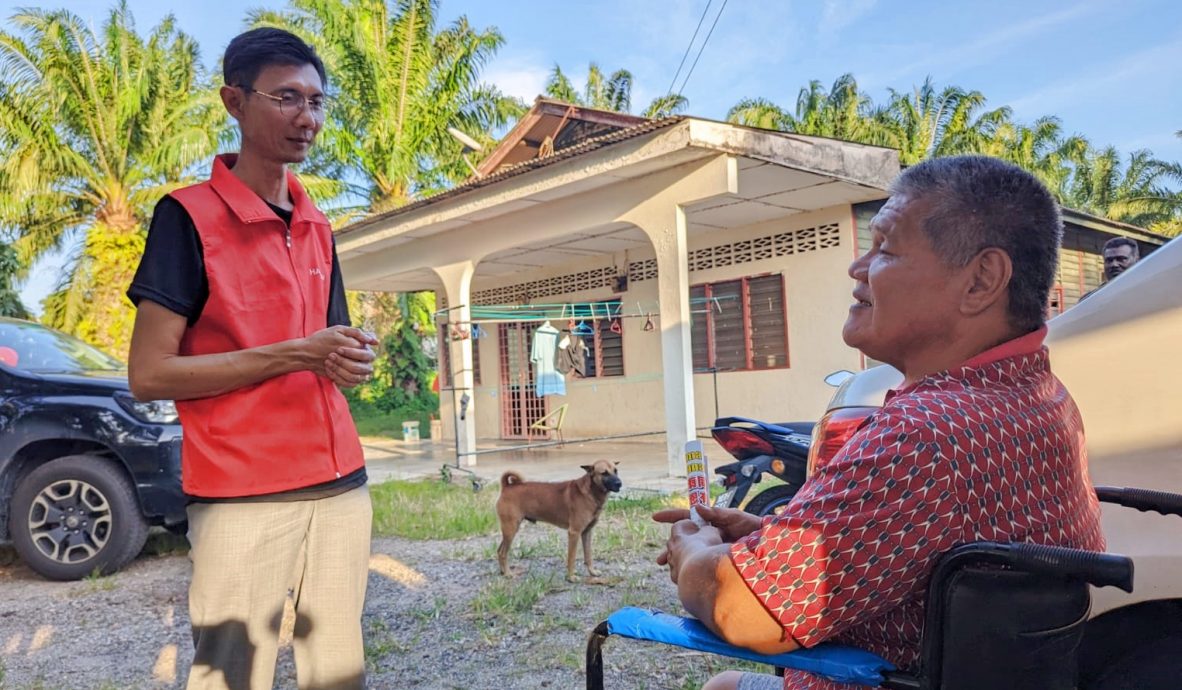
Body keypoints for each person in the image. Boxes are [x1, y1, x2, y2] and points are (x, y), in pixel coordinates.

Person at [655, 155, 1106, 690]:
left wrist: (694, 551)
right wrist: (770, 536)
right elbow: (926, 543)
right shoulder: (1038, 395)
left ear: (981, 280)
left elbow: (746, 608)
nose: (857, 267)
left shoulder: (926, 434)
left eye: (885, 247)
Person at [127, 28, 377, 690]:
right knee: (231, 677)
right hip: (241, 495)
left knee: (338, 671)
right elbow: (149, 374)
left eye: (319, 102)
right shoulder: (187, 217)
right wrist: (297, 353)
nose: (308, 118)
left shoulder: (319, 223)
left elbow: (333, 345)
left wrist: (350, 359)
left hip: (340, 485)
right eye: (287, 97)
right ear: (234, 102)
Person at [1080, 237, 1140, 301]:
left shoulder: (1148, 291)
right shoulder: (1089, 300)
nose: (1114, 264)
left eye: (1121, 259)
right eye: (1109, 260)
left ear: (1136, 260)